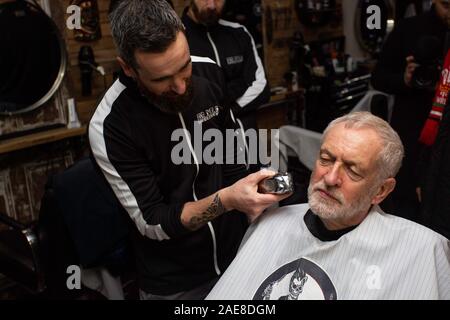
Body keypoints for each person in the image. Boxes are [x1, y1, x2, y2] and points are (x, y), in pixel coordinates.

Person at [88, 0, 290, 300]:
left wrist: (254, 205)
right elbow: (154, 221)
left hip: (238, 253)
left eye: (184, 67)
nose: (181, 87)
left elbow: (235, 157)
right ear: (128, 68)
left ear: (183, 34)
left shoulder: (208, 73)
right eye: (161, 79)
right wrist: (228, 200)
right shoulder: (111, 125)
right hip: (177, 281)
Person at [206, 112, 450, 300]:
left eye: (353, 170)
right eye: (325, 159)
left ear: (381, 190)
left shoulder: (422, 250)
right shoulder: (271, 223)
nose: (330, 178)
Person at [371, 0, 449, 222]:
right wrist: (404, 80)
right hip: (410, 132)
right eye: (446, 5)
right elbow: (378, 78)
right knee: (403, 210)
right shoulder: (409, 28)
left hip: (443, 143)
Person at [182, 0, 271, 171]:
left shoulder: (238, 32)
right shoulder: (176, 39)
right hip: (206, 155)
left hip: (251, 149)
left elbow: (261, 87)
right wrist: (238, 84)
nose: (212, 6)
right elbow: (188, 100)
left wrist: (224, 110)